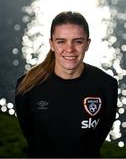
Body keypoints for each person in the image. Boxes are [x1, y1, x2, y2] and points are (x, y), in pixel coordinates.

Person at [15, 11, 118, 158]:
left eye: (78, 41)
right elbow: (30, 136)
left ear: (87, 44)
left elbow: (99, 137)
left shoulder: (107, 85)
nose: (70, 49)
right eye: (61, 41)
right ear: (51, 44)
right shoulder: (27, 86)